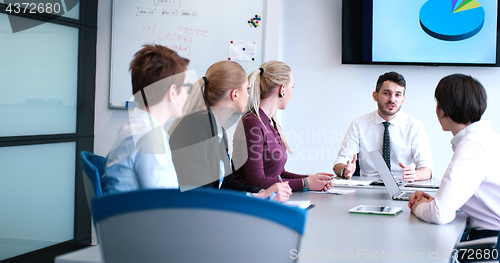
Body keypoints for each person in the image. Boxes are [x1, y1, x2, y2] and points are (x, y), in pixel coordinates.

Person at [169, 60, 291, 202]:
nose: (249, 95)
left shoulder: (218, 131)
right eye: (247, 89)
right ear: (234, 94)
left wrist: (264, 193)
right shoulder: (194, 128)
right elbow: (202, 193)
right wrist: (257, 197)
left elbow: (227, 184)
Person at [408, 74, 500, 260]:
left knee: (422, 252)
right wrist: (435, 201)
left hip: (492, 240)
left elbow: (440, 214)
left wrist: (417, 206)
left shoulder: (472, 146)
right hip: (489, 234)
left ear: (443, 109)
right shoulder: (484, 137)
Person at [230, 60, 334, 192]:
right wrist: (305, 183)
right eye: (292, 87)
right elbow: (257, 181)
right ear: (282, 89)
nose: (292, 92)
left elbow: (278, 174)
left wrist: (312, 179)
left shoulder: (269, 122)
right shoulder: (252, 123)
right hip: (250, 202)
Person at [102, 44, 190, 194]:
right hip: (140, 216)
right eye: (187, 86)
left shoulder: (138, 125)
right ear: (172, 92)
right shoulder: (149, 137)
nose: (188, 94)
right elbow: (166, 203)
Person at [333, 71, 433, 181]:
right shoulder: (359, 124)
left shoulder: (414, 126)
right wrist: (345, 170)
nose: (392, 99)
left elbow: (427, 169)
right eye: (386, 93)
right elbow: (339, 162)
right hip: (368, 188)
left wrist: (416, 175)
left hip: (403, 185)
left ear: (403, 100)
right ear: (375, 96)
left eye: (398, 95)